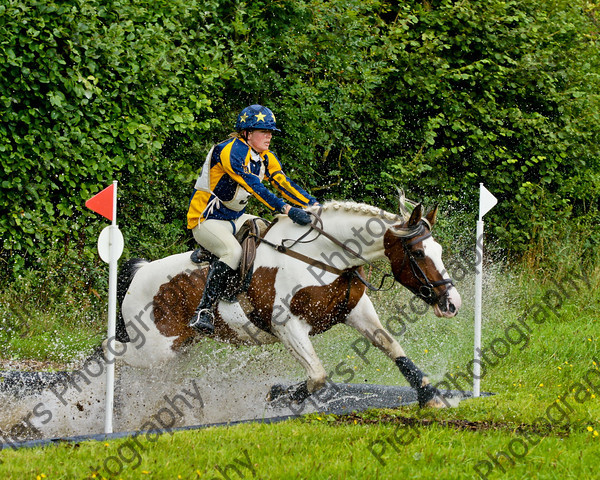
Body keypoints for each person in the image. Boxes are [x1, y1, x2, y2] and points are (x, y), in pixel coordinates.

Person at [186, 104, 318, 334]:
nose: (268, 137)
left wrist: (314, 205)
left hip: (235, 217)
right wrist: (286, 208)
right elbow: (255, 187)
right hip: (206, 219)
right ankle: (204, 310)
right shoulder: (229, 151)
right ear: (246, 133)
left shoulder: (266, 157)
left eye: (270, 133)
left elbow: (283, 184)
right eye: (263, 131)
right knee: (233, 253)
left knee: (271, 231)